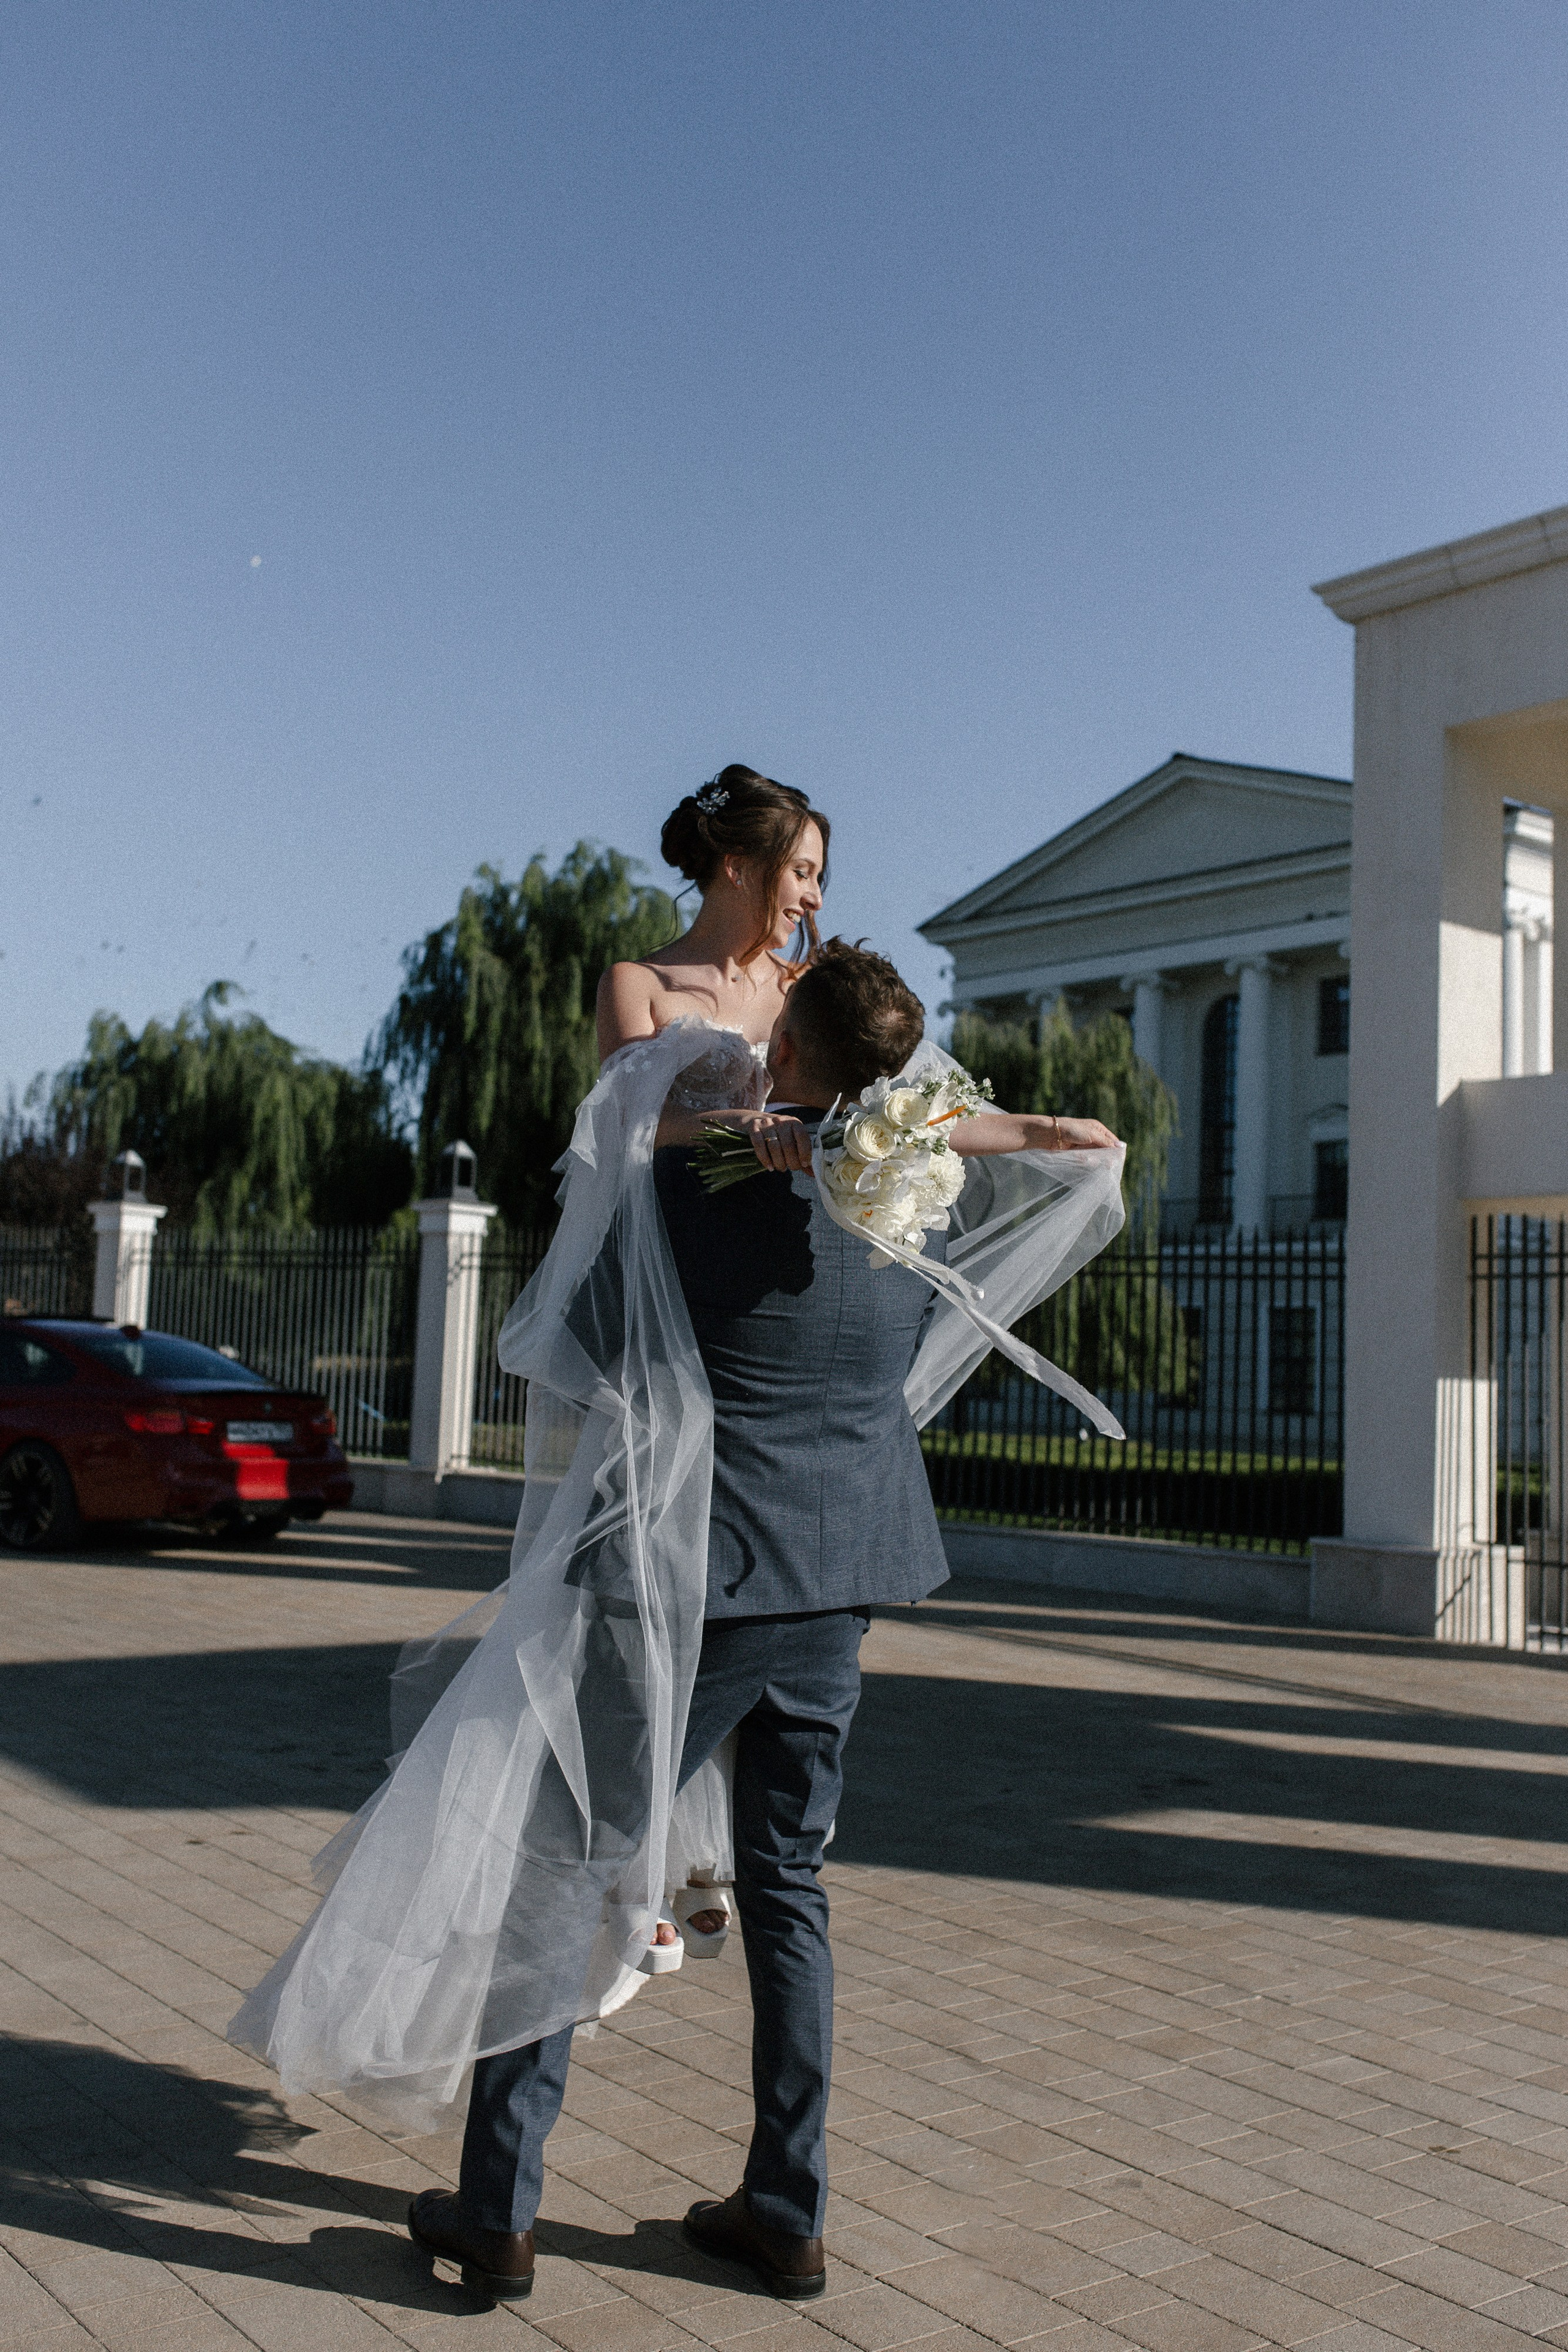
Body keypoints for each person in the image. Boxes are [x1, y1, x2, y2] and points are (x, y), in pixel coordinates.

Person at [227, 774, 1123, 2311]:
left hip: (702, 1566)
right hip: (847, 1565)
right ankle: (788, 2206)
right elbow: (748, 1111)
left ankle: (497, 2208)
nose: (813, 897)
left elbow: (606, 1288)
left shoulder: (713, 1183)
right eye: (801, 870)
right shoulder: (874, 1191)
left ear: (801, 1056)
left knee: (562, 1863)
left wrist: (758, 1149)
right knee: (791, 1883)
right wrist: (964, 1130)